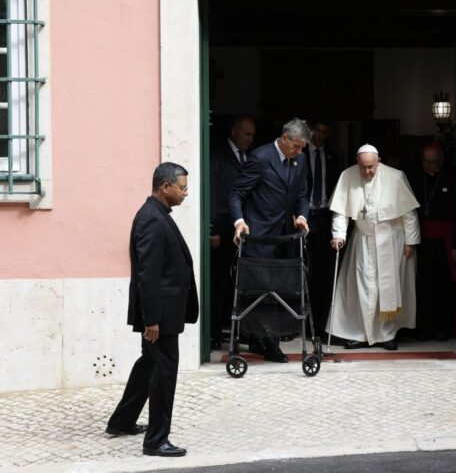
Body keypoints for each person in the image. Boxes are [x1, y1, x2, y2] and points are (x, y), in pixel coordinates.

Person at [105, 162, 199, 458]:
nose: (186, 193)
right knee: (163, 372)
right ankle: (156, 441)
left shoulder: (157, 215)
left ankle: (121, 421)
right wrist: (153, 319)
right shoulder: (151, 219)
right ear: (165, 187)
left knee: (149, 365)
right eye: (182, 188)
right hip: (161, 315)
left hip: (163, 311)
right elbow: (148, 274)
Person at [229, 118, 311, 363]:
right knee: (261, 290)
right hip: (260, 234)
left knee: (282, 288)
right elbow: (236, 193)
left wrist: (303, 217)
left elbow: (302, 193)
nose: (299, 152)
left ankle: (271, 338)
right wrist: (239, 222)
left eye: (301, 148)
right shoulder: (260, 157)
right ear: (284, 138)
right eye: (296, 146)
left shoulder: (301, 159)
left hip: (286, 235)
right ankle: (265, 342)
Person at [326, 144, 420, 351]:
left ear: (379, 161)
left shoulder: (395, 177)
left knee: (388, 289)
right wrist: (339, 235)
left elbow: (409, 213)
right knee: (361, 287)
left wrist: (411, 241)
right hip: (362, 239)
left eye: (371, 167)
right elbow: (340, 212)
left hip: (391, 240)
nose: (367, 172)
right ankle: (361, 333)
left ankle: (387, 334)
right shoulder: (347, 176)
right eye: (363, 168)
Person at [209, 116, 256, 350]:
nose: (251, 139)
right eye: (247, 134)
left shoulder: (251, 157)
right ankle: (214, 332)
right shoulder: (217, 156)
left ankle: (243, 331)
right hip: (223, 230)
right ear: (234, 132)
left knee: (244, 282)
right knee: (219, 283)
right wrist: (212, 228)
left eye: (252, 135)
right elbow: (212, 192)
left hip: (245, 231)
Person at [407, 142, 456, 341]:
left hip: (445, 239)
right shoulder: (415, 177)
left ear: (441, 161)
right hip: (423, 239)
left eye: (433, 162)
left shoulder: (452, 178)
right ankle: (425, 327)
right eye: (425, 161)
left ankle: (443, 328)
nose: (428, 166)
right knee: (424, 285)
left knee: (444, 286)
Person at [303, 121, 340, 334]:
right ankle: (296, 321)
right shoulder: (300, 154)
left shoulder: (332, 157)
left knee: (321, 273)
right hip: (304, 215)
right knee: (301, 268)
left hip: (324, 216)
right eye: (318, 130)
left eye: (326, 131)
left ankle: (318, 323)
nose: (321, 135)